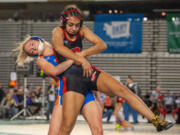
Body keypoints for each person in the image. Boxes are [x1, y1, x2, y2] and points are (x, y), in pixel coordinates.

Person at [52, 4, 174, 135]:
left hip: (87, 72)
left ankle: (156, 121)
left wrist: (83, 54)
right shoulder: (58, 31)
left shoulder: (82, 30)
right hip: (72, 79)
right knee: (66, 127)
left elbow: (102, 45)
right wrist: (81, 59)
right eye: (70, 25)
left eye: (77, 25)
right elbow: (59, 48)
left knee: (124, 91)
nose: (74, 28)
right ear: (63, 22)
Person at [14, 36, 103, 135]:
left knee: (98, 131)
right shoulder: (41, 61)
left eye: (32, 44)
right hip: (65, 92)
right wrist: (74, 58)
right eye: (31, 51)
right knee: (53, 133)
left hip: (83, 89)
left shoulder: (61, 47)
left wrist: (83, 56)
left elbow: (83, 58)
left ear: (38, 39)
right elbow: (55, 71)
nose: (33, 49)